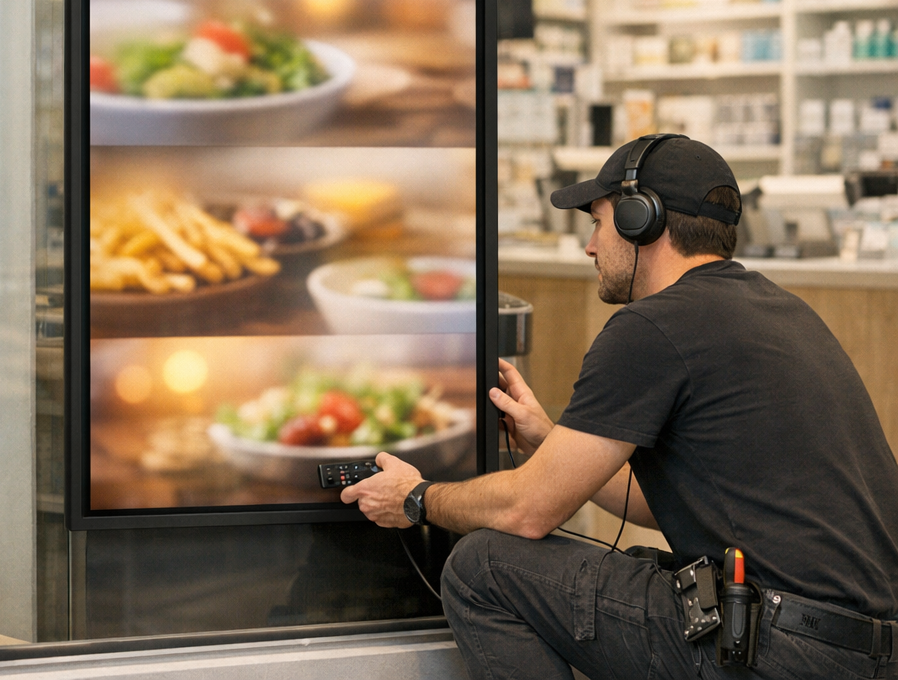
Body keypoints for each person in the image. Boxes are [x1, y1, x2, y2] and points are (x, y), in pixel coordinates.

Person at [340, 135, 898, 679]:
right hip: (865, 650)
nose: (590, 246)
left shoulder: (652, 326)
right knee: (638, 563)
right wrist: (550, 441)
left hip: (780, 650)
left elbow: (528, 512)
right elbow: (676, 504)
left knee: (482, 565)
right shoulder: (784, 311)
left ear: (641, 220)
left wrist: (415, 497)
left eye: (598, 223)